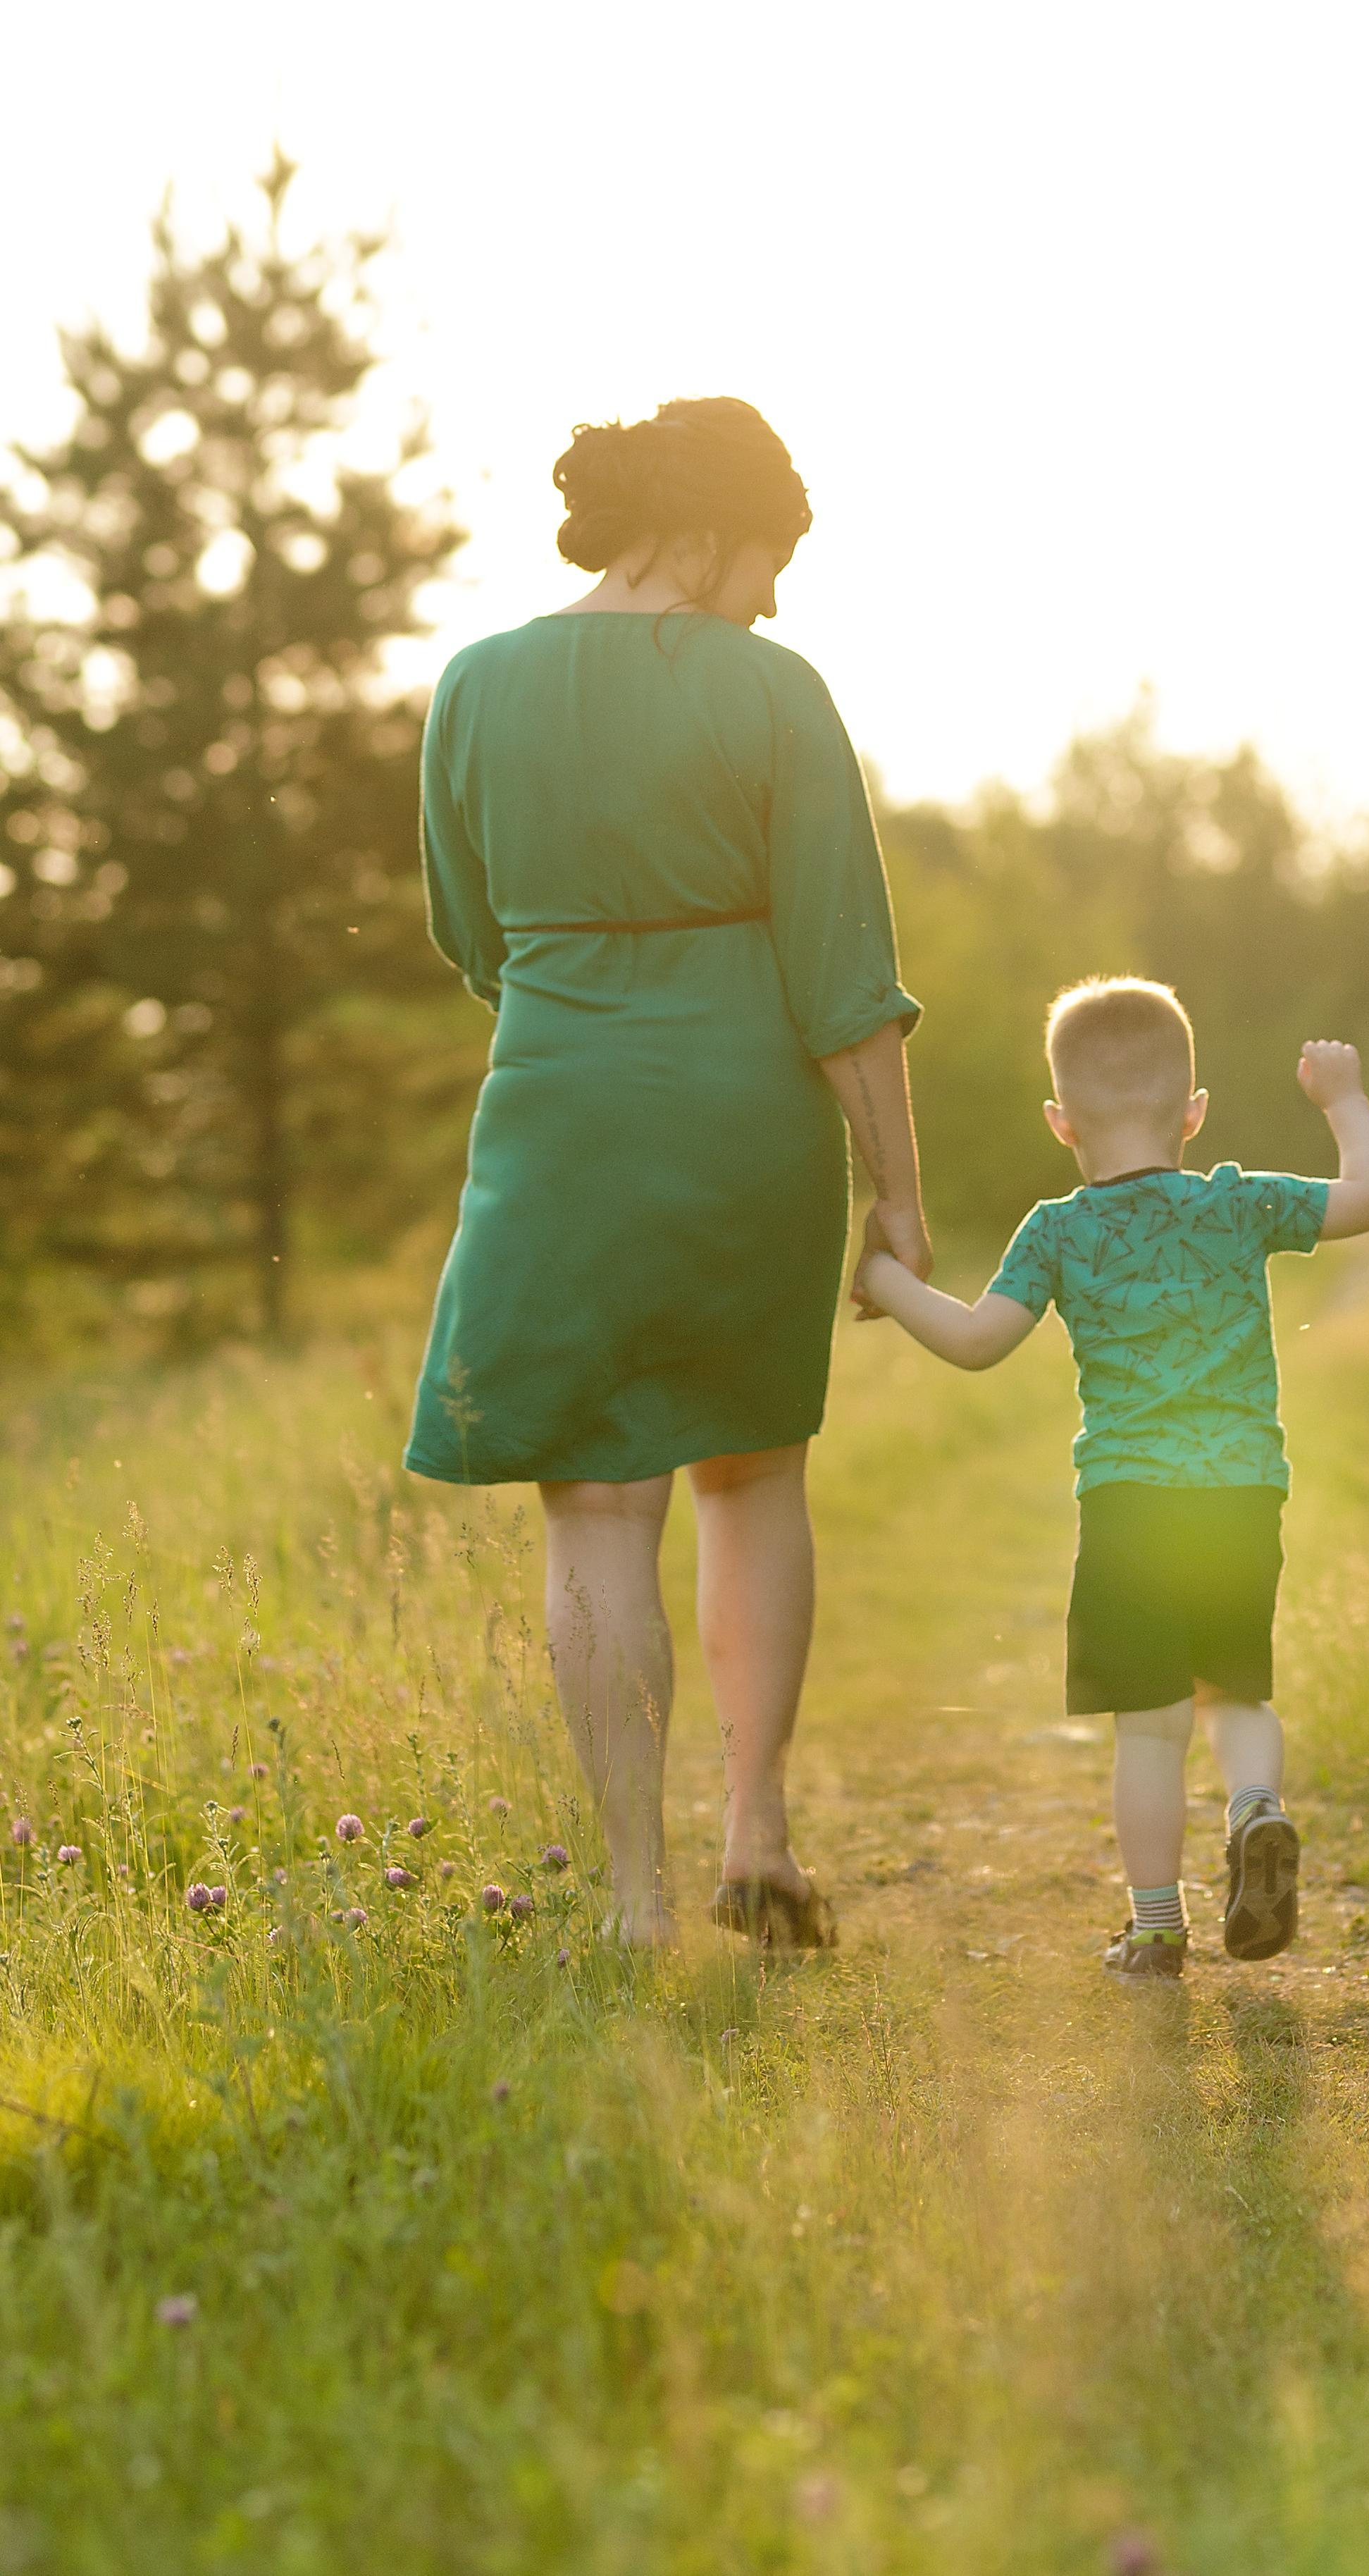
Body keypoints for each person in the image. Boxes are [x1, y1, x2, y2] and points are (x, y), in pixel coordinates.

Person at [406, 398, 929, 1950]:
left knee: (594, 1501)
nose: (768, 600)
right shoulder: (775, 693)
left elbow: (470, 935)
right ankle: (756, 1832)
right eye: (766, 561)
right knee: (752, 1471)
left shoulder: (474, 683)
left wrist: (586, 1004)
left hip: (557, 1109)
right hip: (744, 1119)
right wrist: (898, 1195)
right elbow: (845, 976)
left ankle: (636, 1898)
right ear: (702, 534)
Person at [853, 977, 1369, 1980]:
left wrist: (883, 1278)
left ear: (1060, 1122)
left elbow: (975, 1342)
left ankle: (1155, 1930)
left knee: (1149, 1732)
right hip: (1241, 1498)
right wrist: (1343, 1100)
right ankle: (1256, 1809)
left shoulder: (1057, 1231)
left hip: (1129, 1509)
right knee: (1236, 1694)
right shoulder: (1238, 1202)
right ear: (1194, 1111)